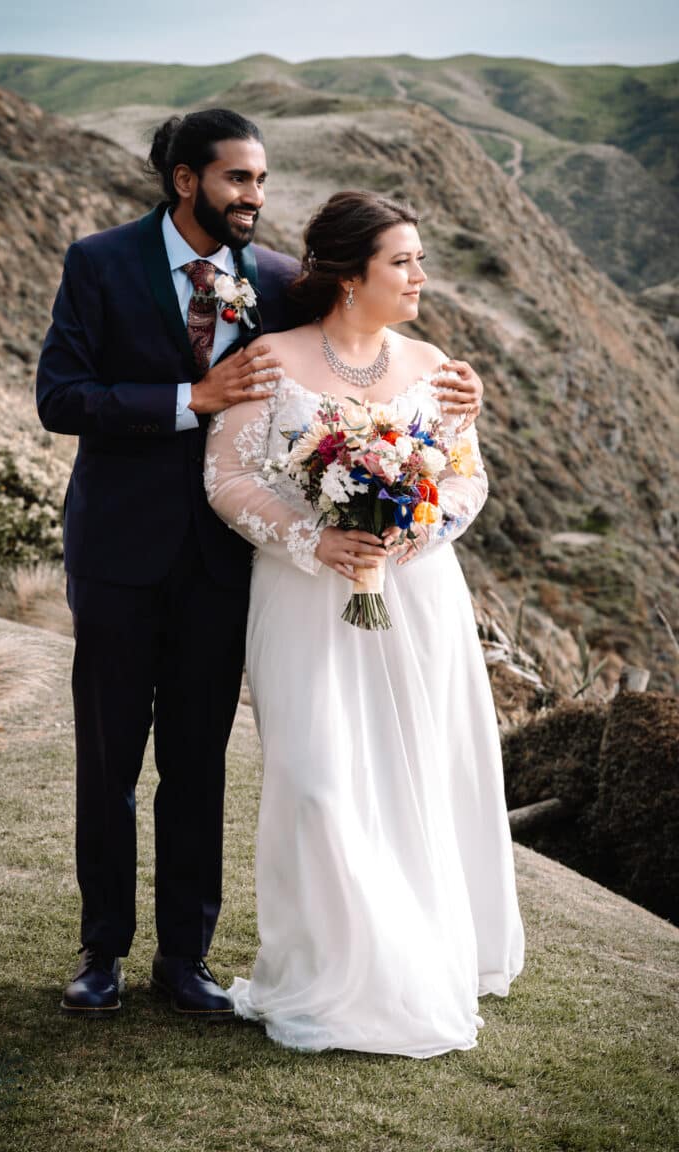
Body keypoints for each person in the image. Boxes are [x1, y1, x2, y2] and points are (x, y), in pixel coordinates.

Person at [206, 190, 524, 1058]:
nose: (420, 275)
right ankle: (331, 966)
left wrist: (412, 530)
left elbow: (467, 479)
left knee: (422, 771)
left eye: (419, 259)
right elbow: (227, 479)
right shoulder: (270, 359)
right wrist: (317, 540)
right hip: (305, 597)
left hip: (418, 598)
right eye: (403, 261)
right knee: (318, 778)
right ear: (351, 276)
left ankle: (419, 957)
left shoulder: (436, 366)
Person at [36, 109, 299, 1015]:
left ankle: (183, 962)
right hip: (117, 553)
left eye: (262, 181)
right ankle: (101, 953)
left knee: (199, 767)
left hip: (225, 564)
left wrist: (447, 382)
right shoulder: (99, 262)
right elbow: (60, 398)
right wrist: (193, 397)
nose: (254, 198)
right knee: (107, 766)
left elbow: (348, 360)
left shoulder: (280, 280)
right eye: (238, 179)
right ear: (185, 179)